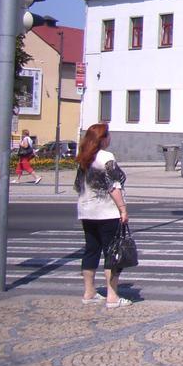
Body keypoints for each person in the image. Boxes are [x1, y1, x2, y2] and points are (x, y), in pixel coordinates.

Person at [74, 123, 132, 309]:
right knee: (112, 253)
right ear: (102, 138)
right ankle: (112, 297)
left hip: (86, 211)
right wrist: (122, 209)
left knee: (91, 250)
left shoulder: (83, 157)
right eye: (108, 135)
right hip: (106, 212)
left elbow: (78, 185)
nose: (110, 138)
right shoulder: (106, 157)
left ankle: (88, 292)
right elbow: (114, 185)